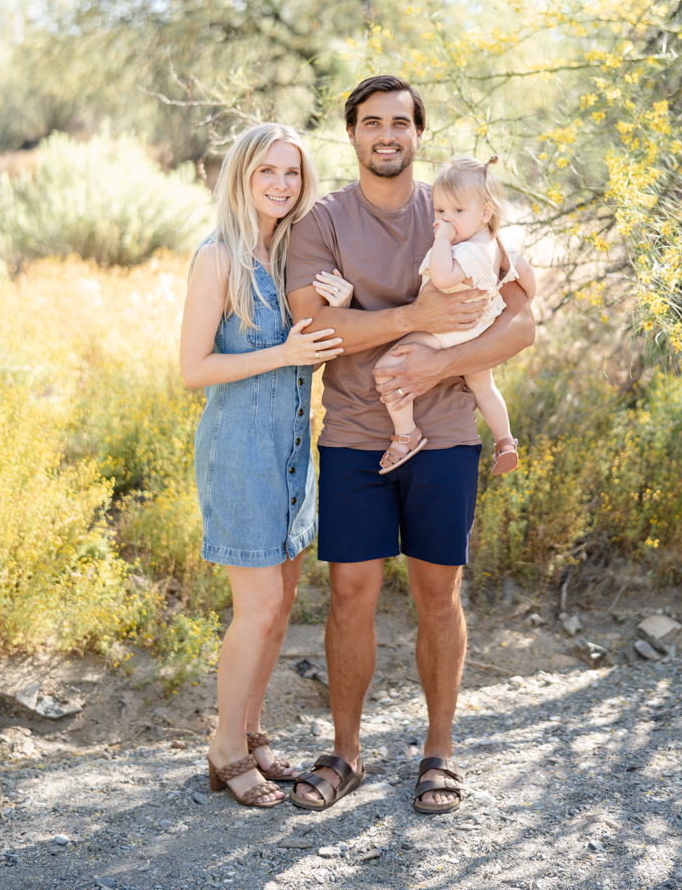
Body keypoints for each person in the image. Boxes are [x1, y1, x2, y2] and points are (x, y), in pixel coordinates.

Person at [285, 75, 535, 816]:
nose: (386, 134)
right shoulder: (323, 222)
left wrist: (437, 359)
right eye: (371, 122)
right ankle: (346, 752)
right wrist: (416, 315)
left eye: (400, 122)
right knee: (350, 594)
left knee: (438, 594)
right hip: (358, 435)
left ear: (418, 133)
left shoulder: (459, 206)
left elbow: (521, 324)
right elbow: (316, 332)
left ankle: (439, 752)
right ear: (353, 134)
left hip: (451, 434)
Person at [179, 123, 350, 810]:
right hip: (240, 453)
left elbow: (320, 351)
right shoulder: (216, 257)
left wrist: (340, 306)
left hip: (291, 453)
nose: (282, 184)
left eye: (293, 173)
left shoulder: (291, 258)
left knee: (279, 608)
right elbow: (194, 369)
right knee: (257, 609)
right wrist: (283, 353)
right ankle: (223, 748)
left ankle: (249, 731)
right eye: (266, 172)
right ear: (241, 177)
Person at [375, 155, 536, 474]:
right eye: (440, 211)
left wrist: (442, 239)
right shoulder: (496, 245)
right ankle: (504, 440)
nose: (446, 219)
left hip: (449, 330)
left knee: (388, 367)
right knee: (483, 386)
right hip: (479, 327)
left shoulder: (463, 249)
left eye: (457, 212)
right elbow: (527, 276)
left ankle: (406, 434)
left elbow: (444, 278)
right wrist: (524, 295)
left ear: (485, 212)